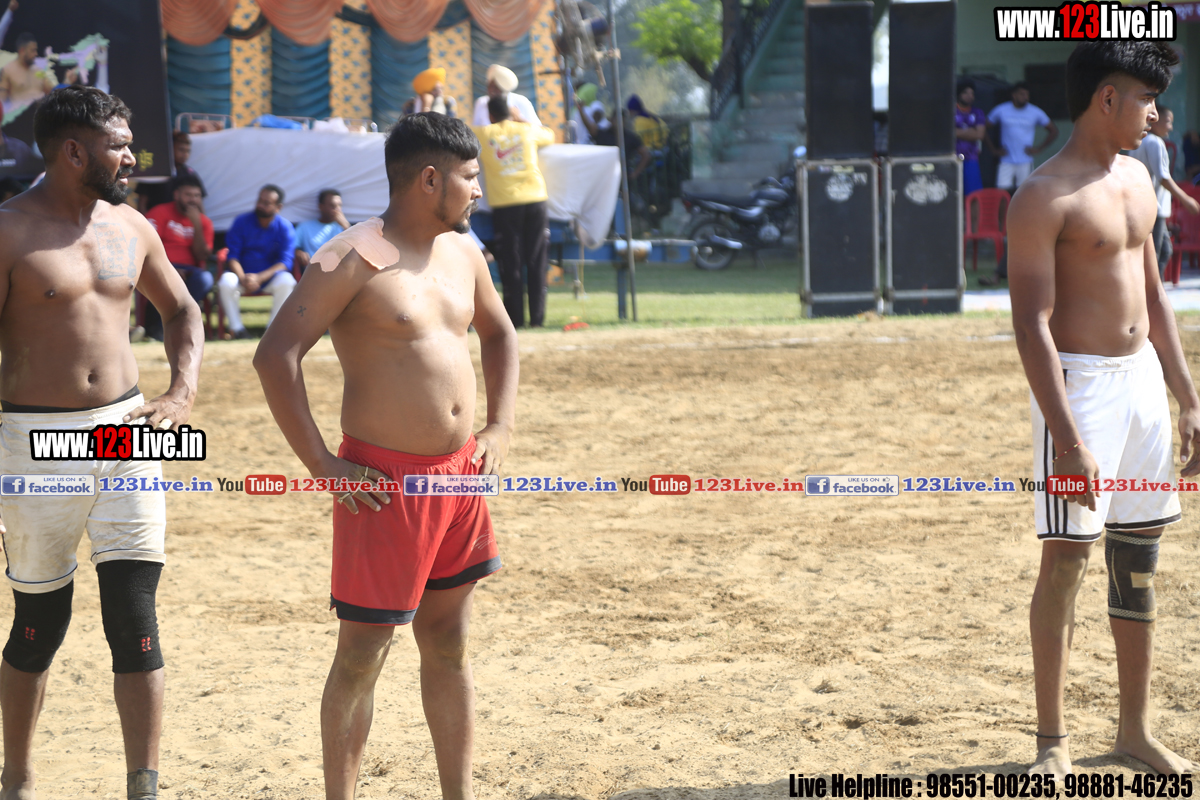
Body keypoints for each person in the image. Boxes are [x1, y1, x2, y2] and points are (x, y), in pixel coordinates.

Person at [253, 111, 518, 800]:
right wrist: (322, 463)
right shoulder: (351, 256)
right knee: (362, 654)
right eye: (469, 177)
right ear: (429, 179)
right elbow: (275, 355)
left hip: (460, 479)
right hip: (383, 485)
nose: (478, 190)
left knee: (450, 642)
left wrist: (499, 426)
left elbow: (500, 334)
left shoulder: (463, 251)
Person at [0, 85, 203, 800]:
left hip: (126, 434)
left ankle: (143, 787)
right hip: (33, 443)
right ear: (72, 151)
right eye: (119, 146)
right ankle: (17, 778)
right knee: (39, 621)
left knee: (135, 615)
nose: (132, 157)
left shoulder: (131, 226)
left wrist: (180, 392)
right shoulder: (10, 231)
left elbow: (182, 310)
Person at [1007, 41, 1200, 779]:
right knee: (1067, 559)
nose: (1154, 114)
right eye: (1145, 99)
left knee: (1138, 559)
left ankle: (1135, 733)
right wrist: (1067, 438)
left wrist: (1188, 397)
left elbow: (1156, 298)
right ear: (1106, 99)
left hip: (1142, 381)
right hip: (1080, 390)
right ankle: (1051, 743)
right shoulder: (1043, 196)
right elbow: (1032, 326)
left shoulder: (1139, 178)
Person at [473, 95, 554, 328]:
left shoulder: (484, 134)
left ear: (490, 115)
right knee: (536, 260)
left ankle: (515, 321)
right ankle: (537, 320)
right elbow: (550, 135)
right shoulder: (527, 130)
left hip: (505, 204)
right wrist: (522, 121)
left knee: (511, 262)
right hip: (535, 199)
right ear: (512, 112)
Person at [216, 184, 297, 338]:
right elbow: (232, 256)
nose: (260, 205)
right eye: (259, 200)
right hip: (242, 276)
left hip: (269, 278)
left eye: (266, 203)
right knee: (226, 281)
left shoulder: (285, 227)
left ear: (278, 207)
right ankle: (237, 330)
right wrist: (243, 278)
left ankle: (273, 331)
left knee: (287, 281)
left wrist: (259, 278)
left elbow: (285, 262)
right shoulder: (241, 222)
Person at [1128, 108, 1200, 281]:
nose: (1171, 127)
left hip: (1142, 207)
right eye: (1168, 122)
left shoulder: (1139, 142)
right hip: (1155, 210)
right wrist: (1186, 199)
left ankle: (1153, 289)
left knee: (1164, 251)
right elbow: (1163, 177)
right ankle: (1152, 292)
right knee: (1154, 256)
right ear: (1154, 121)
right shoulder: (1155, 143)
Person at [143, 174, 216, 340]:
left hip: (190, 271)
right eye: (188, 195)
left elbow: (202, 255)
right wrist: (170, 269)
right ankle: (161, 327)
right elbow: (146, 245)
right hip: (161, 266)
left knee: (205, 279)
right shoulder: (159, 212)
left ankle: (177, 320)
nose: (193, 200)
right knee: (163, 280)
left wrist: (197, 225)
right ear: (176, 195)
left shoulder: (204, 222)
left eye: (197, 196)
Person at [987, 82, 1059, 192]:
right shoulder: (1001, 110)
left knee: (1025, 192)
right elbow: (983, 128)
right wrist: (993, 150)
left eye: (1027, 95)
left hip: (1025, 160)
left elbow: (1053, 130)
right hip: (1006, 160)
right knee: (1001, 193)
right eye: (1022, 94)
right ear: (1014, 95)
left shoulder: (1035, 112)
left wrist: (1039, 148)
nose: (1025, 97)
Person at [137, 131, 205, 213]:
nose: (185, 154)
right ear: (170, 149)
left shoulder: (191, 175)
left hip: (181, 220)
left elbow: (199, 206)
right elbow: (142, 203)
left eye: (188, 151)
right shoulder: (154, 172)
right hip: (155, 218)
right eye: (181, 150)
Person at [584, 108, 652, 181]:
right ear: (611, 119)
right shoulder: (603, 134)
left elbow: (645, 155)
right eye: (616, 119)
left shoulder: (630, 137)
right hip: (605, 175)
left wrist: (635, 173)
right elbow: (590, 128)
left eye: (621, 120)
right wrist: (581, 110)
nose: (618, 123)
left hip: (623, 177)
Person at [294, 188, 350, 271]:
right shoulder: (304, 227)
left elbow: (357, 248)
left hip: (339, 271)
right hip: (313, 271)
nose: (337, 209)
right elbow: (291, 247)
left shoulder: (344, 228)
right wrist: (298, 252)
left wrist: (346, 226)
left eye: (339, 205)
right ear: (321, 206)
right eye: (332, 206)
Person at [0, 32, 54, 117]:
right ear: (22, 50)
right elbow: (1, 102)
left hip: (41, 118)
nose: (36, 53)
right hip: (19, 119)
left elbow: (52, 92)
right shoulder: (8, 70)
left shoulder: (38, 70)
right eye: (33, 50)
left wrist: (67, 81)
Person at [472, 64, 541, 128]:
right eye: (490, 86)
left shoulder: (521, 101)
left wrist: (519, 119)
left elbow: (539, 130)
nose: (492, 91)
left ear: (504, 89)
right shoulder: (481, 102)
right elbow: (474, 131)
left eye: (496, 88)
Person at [955, 80, 987, 197]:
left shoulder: (977, 112)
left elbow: (979, 135)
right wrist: (970, 131)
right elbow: (947, 133)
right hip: (952, 158)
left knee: (974, 194)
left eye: (972, 93)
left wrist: (957, 132)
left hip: (971, 158)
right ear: (958, 94)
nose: (969, 96)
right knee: (953, 193)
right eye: (966, 93)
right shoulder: (949, 111)